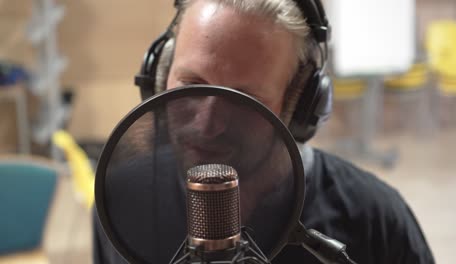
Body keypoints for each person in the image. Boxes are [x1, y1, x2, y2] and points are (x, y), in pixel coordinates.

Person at [93, 0, 435, 263]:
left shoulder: (377, 222)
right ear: (159, 75)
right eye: (191, 84)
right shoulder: (121, 203)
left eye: (244, 100)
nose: (207, 125)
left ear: (299, 106)